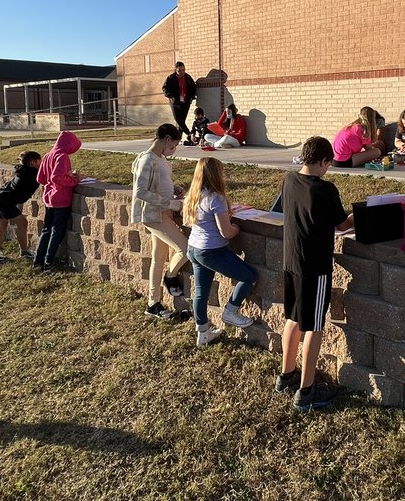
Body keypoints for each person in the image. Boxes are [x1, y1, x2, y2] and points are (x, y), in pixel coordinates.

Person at [276, 136, 355, 411]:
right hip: (315, 267)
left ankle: (286, 376)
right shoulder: (325, 189)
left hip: (291, 262)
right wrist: (361, 212)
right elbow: (343, 224)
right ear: (323, 161)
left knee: (293, 319)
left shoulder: (289, 180)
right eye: (328, 164)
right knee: (314, 326)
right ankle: (306, 391)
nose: (328, 168)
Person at [182, 157, 258, 346]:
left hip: (194, 248)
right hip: (212, 251)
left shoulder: (193, 195)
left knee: (201, 292)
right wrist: (236, 229)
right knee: (249, 276)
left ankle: (203, 333)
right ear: (216, 175)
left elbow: (188, 222)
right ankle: (231, 311)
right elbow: (226, 232)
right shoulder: (216, 197)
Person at [132, 123, 189, 320]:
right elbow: (140, 192)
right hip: (154, 216)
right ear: (166, 139)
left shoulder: (161, 159)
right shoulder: (147, 160)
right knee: (186, 248)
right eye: (173, 144)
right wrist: (170, 203)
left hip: (164, 213)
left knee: (158, 259)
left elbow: (161, 183)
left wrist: (175, 189)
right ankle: (170, 276)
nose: (173, 149)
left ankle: (153, 303)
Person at [33, 131, 82, 273]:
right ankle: (49, 261)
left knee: (46, 229)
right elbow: (57, 177)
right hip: (61, 199)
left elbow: (41, 179)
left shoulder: (48, 155)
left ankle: (38, 260)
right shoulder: (62, 156)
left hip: (48, 198)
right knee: (57, 231)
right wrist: (74, 180)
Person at [0, 150, 42, 264]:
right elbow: (47, 177)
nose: (41, 163)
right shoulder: (32, 173)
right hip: (4, 200)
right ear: (32, 162)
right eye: (39, 161)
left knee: (2, 225)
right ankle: (24, 252)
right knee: (22, 223)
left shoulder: (24, 170)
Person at [162, 61, 197, 144]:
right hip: (175, 102)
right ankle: (189, 134)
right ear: (175, 70)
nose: (182, 72)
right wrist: (171, 96)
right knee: (178, 119)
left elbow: (193, 87)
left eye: (183, 70)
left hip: (185, 102)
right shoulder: (171, 78)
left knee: (182, 121)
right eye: (179, 70)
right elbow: (165, 88)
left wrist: (192, 97)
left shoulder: (188, 77)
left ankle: (177, 139)